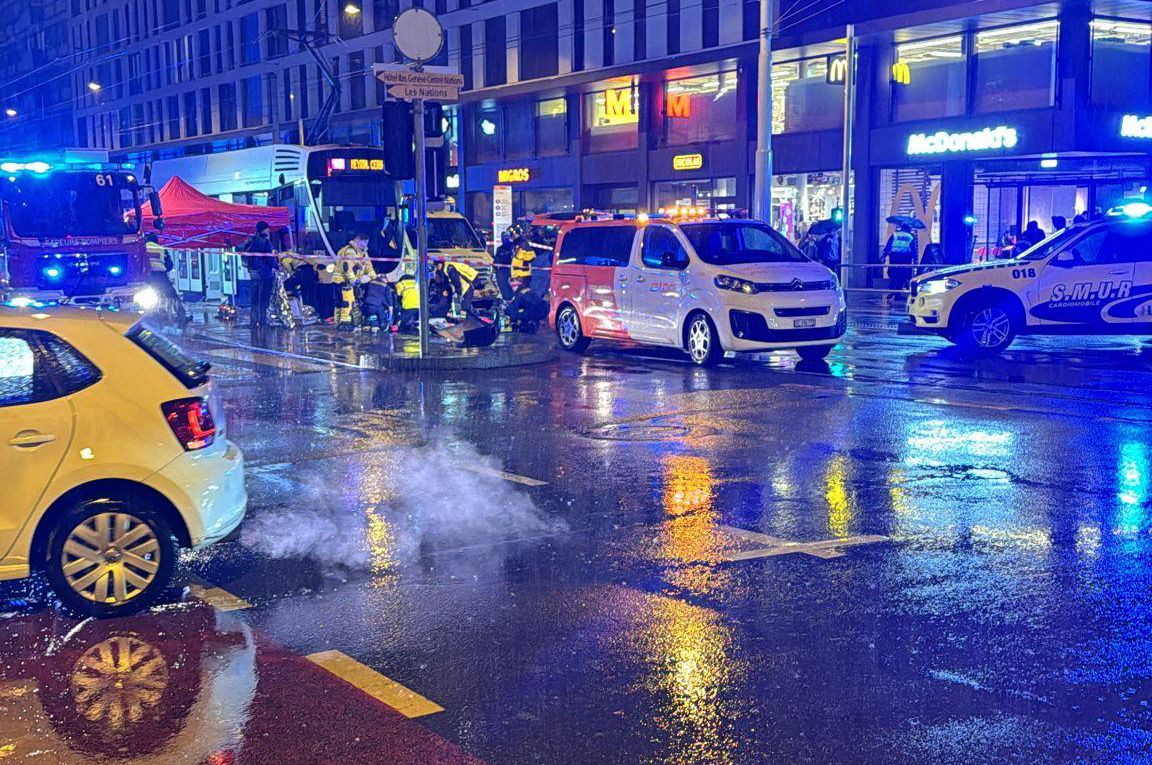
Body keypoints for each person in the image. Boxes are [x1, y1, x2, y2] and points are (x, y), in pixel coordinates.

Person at [145, 232, 188, 326]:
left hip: (146, 277)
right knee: (172, 296)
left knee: (150, 297)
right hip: (161, 277)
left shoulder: (142, 248)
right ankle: (182, 316)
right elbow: (169, 265)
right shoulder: (161, 249)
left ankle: (149, 317)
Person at [242, 221, 276, 329]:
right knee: (263, 298)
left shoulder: (250, 241)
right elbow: (270, 258)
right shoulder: (265, 241)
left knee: (255, 298)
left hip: (253, 273)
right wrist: (278, 266)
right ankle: (262, 322)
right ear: (264, 229)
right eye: (267, 228)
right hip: (264, 273)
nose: (269, 230)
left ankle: (253, 321)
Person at [882, 223, 917, 301]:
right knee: (902, 276)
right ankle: (897, 293)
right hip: (905, 259)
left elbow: (888, 246)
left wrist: (884, 256)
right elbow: (913, 250)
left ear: (901, 228)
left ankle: (893, 291)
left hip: (894, 258)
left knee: (893, 274)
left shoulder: (894, 235)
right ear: (908, 229)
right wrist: (915, 260)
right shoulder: (910, 237)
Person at [493, 227, 518, 300]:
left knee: (512, 289)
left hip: (512, 271)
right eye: (503, 237)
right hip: (502, 271)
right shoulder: (499, 249)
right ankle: (507, 301)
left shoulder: (513, 247)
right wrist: (495, 269)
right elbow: (496, 259)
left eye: (506, 237)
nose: (504, 239)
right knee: (504, 288)